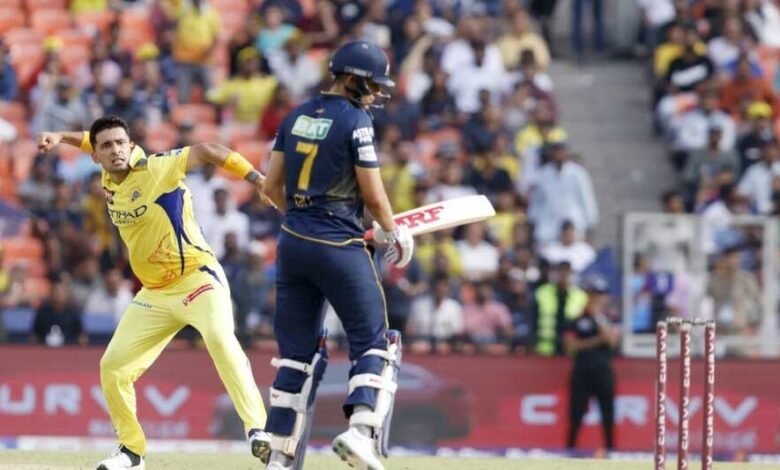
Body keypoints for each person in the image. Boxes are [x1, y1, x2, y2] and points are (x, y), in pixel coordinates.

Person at [37, 115, 271, 470]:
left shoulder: (157, 168)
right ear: (96, 157)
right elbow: (88, 138)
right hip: (155, 293)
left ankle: (258, 430)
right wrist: (60, 136)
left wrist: (257, 179)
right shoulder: (106, 173)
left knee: (220, 339)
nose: (115, 150)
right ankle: (132, 453)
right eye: (107, 146)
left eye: (121, 143)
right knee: (114, 367)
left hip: (197, 279)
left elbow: (210, 150)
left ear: (131, 146)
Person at [260, 41, 414, 470]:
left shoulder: (295, 115)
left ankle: (278, 456)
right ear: (350, 78)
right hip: (339, 245)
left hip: (292, 244)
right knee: (376, 342)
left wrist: (305, 220)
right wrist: (393, 231)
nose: (376, 94)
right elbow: (373, 194)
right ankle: (361, 433)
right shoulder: (356, 121)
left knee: (297, 356)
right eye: (372, 85)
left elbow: (270, 188)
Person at [564, 275, 619, 451]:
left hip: (603, 371)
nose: (596, 298)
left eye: (600, 294)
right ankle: (570, 450)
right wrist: (596, 340)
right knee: (576, 413)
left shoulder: (609, 317)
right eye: (593, 294)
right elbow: (570, 346)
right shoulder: (576, 318)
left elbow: (612, 341)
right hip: (582, 371)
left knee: (607, 413)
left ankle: (610, 450)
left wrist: (597, 318)